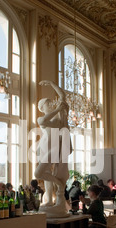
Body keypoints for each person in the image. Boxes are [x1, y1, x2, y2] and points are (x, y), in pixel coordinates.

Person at [34, 80, 72, 212]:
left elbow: (62, 96)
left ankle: (59, 185)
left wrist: (52, 84)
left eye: (51, 102)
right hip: (44, 148)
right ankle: (49, 199)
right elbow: (43, 120)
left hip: (55, 149)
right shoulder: (42, 119)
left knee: (39, 172)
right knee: (44, 173)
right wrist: (57, 109)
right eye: (48, 103)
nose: (51, 104)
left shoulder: (59, 118)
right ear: (42, 107)